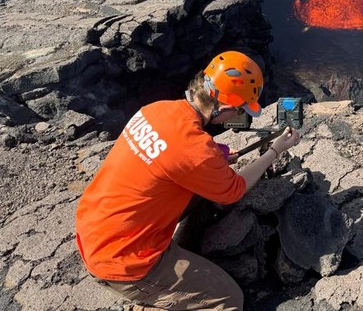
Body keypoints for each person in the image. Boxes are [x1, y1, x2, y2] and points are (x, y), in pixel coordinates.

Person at [75, 51, 301, 311]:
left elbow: (176, 152)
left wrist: (220, 155)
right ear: (225, 107)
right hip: (124, 259)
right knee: (229, 300)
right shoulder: (195, 151)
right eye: (238, 110)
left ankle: (183, 254)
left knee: (201, 194)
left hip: (93, 230)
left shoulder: (156, 110)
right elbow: (234, 189)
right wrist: (275, 151)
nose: (236, 115)